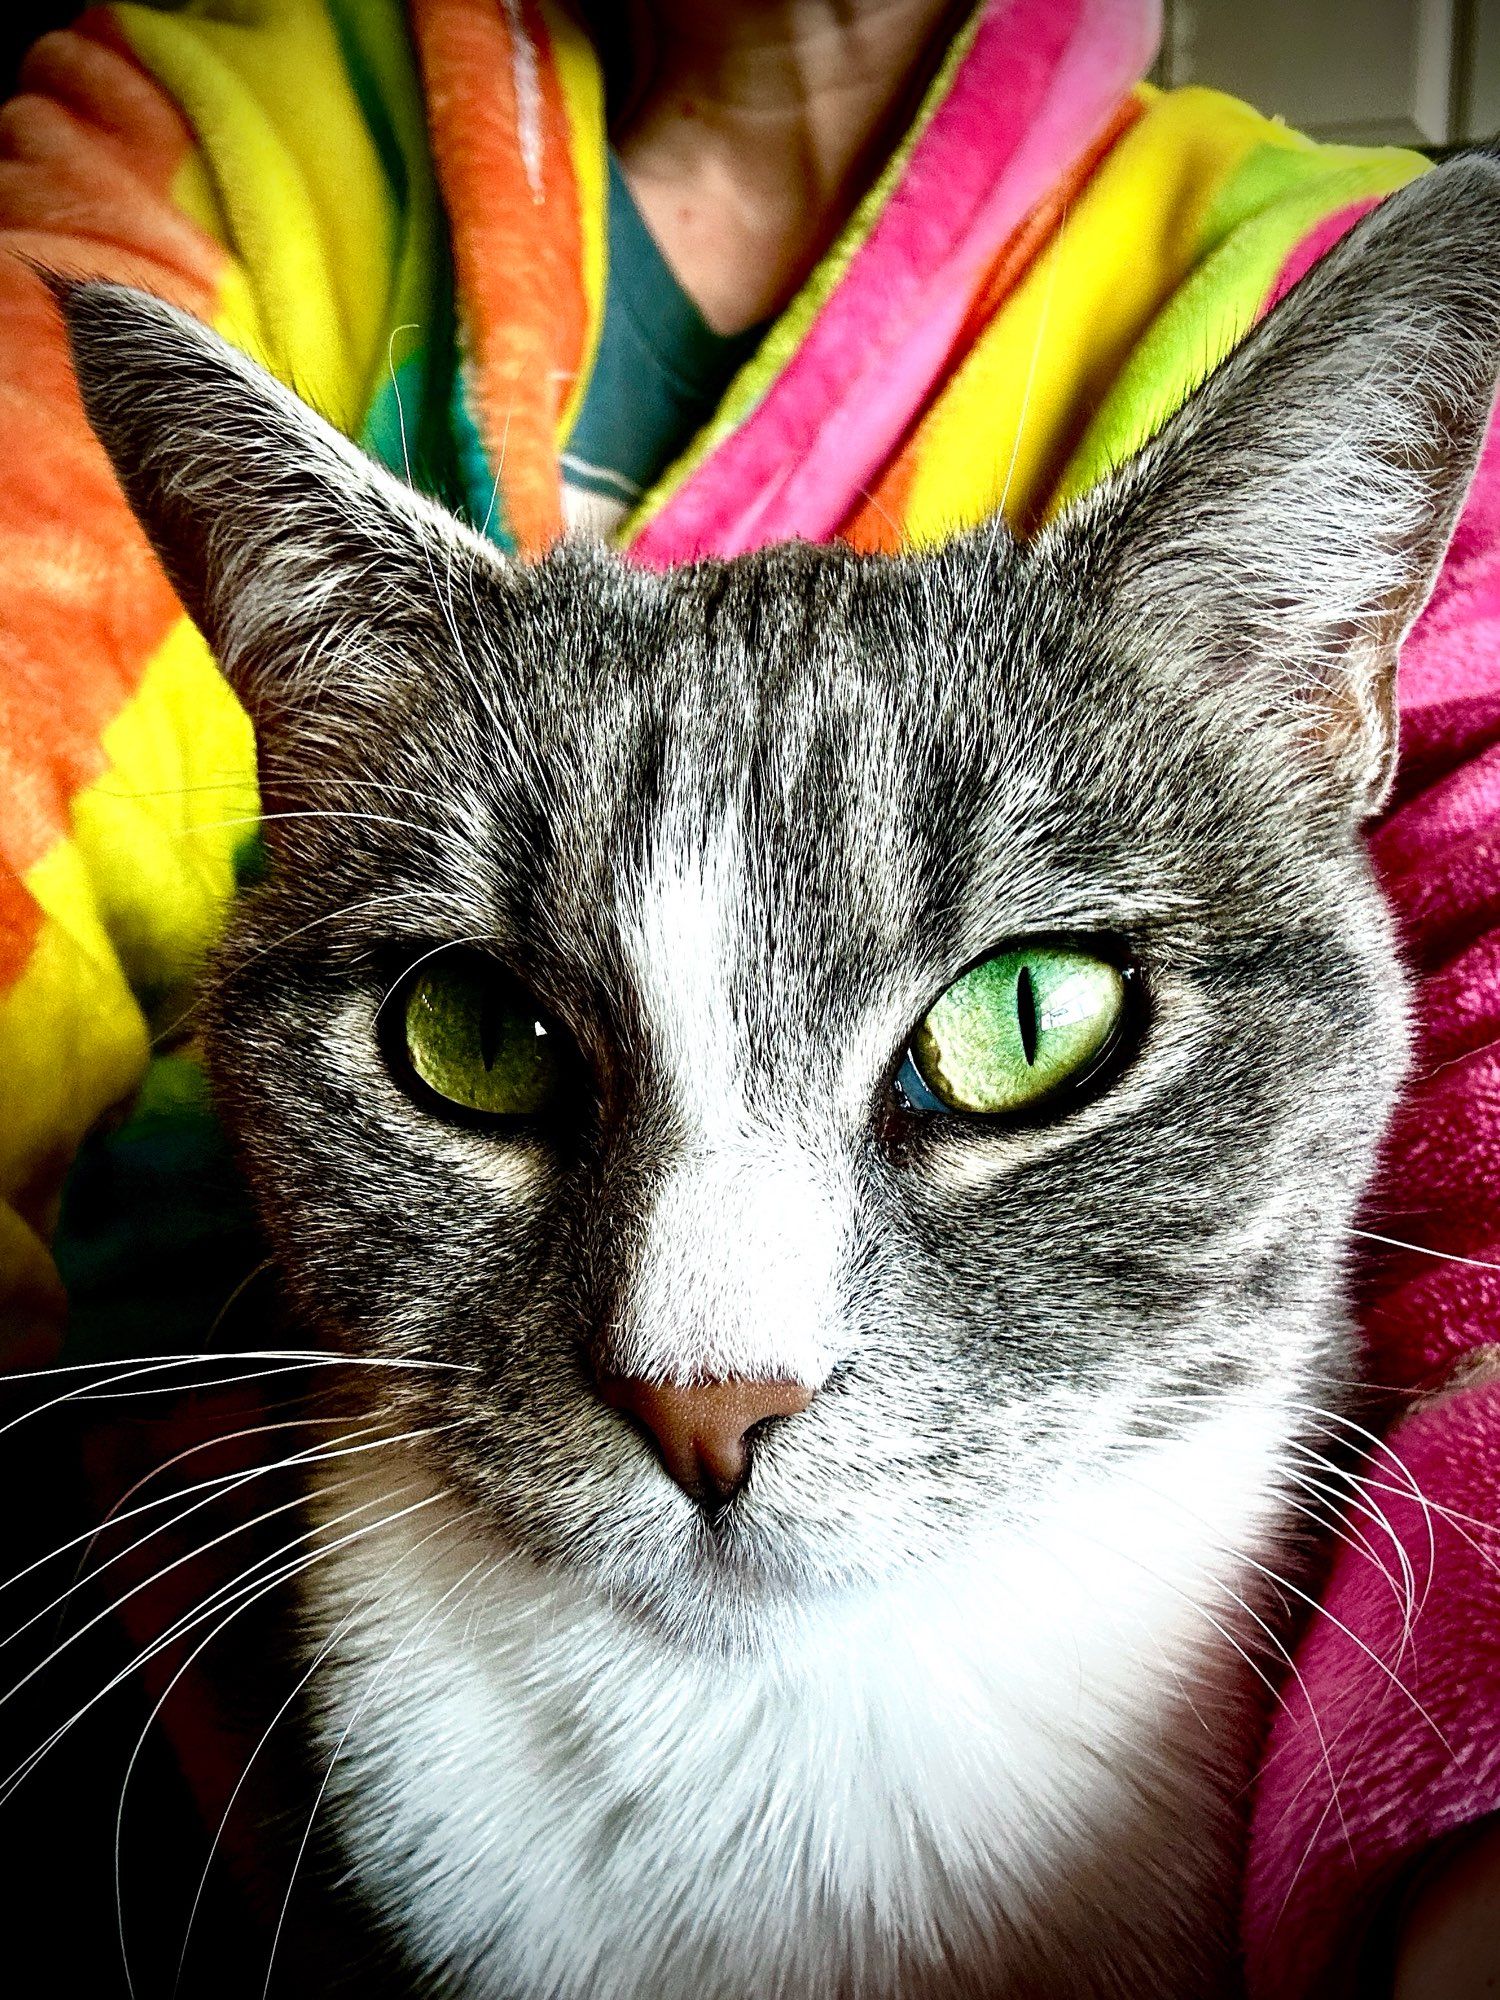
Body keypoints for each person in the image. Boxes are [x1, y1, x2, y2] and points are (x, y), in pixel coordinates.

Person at [0, 1, 1496, 1991]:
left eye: (1017, 1024)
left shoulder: (1266, 247)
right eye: (487, 1038)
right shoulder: (214, 124)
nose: (703, 1356)